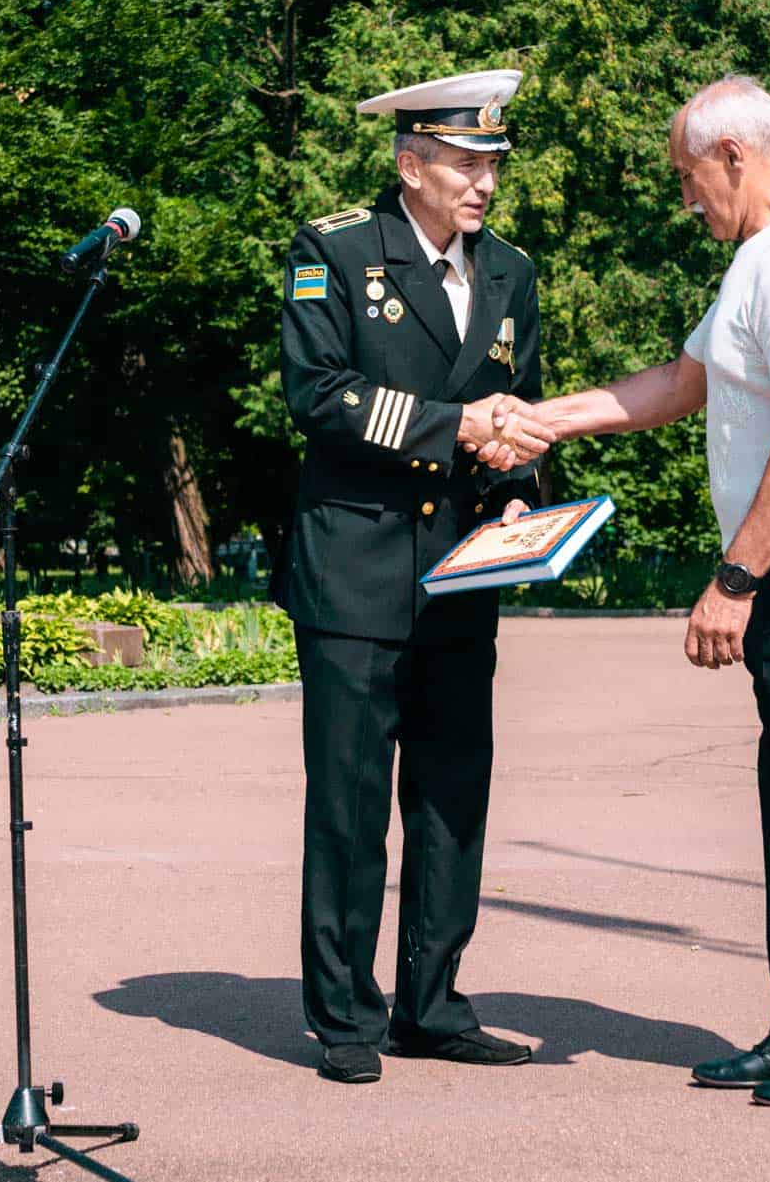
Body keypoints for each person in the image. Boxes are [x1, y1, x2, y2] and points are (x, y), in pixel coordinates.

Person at [491, 74, 770, 1106]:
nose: (687, 200)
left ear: (734, 157)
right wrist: (543, 418)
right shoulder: (758, 261)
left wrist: (736, 579)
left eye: (688, 177)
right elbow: (683, 385)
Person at [274, 68, 557, 1084]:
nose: (485, 181)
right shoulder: (338, 251)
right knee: (349, 805)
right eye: (467, 162)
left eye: (493, 163)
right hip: (356, 569)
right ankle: (347, 1017)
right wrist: (455, 429)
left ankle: (431, 1004)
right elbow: (320, 395)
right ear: (411, 163)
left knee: (450, 800)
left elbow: (520, 406)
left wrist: (524, 484)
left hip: (461, 573)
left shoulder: (513, 272)